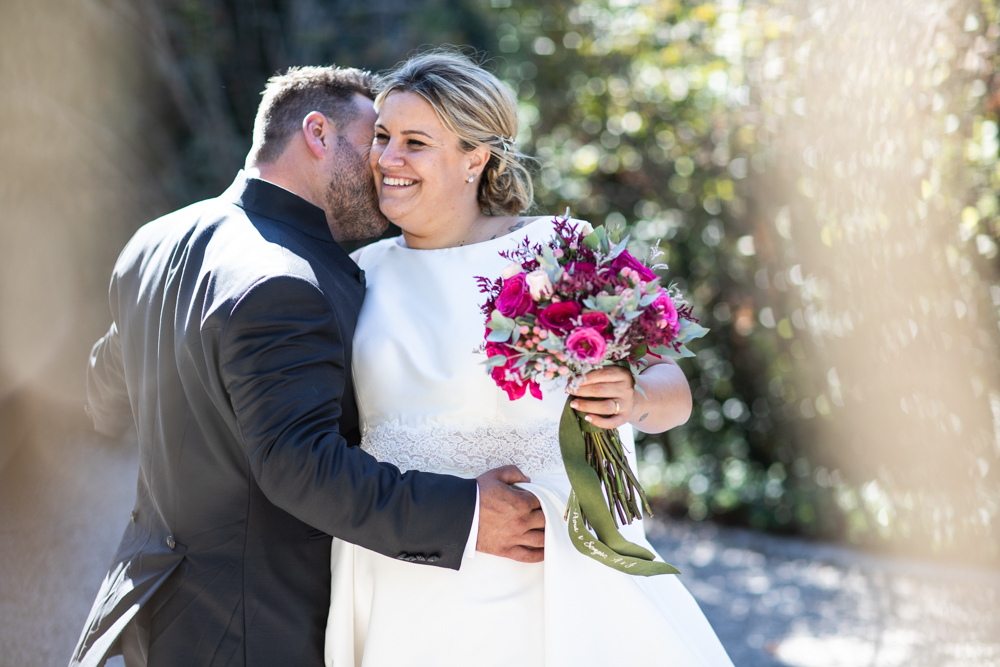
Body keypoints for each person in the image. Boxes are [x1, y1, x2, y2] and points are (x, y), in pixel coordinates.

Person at [70, 65, 545, 667]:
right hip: (250, 624)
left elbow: (105, 389)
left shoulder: (157, 242)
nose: (382, 165)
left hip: (153, 598)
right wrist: (470, 514)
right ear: (317, 133)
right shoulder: (286, 277)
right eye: (375, 138)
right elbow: (300, 467)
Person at [324, 51, 735, 666]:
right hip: (405, 579)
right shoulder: (354, 276)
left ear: (476, 158)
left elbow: (671, 389)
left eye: (415, 142)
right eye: (382, 137)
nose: (388, 159)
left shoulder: (557, 249)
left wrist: (633, 398)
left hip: (550, 575)